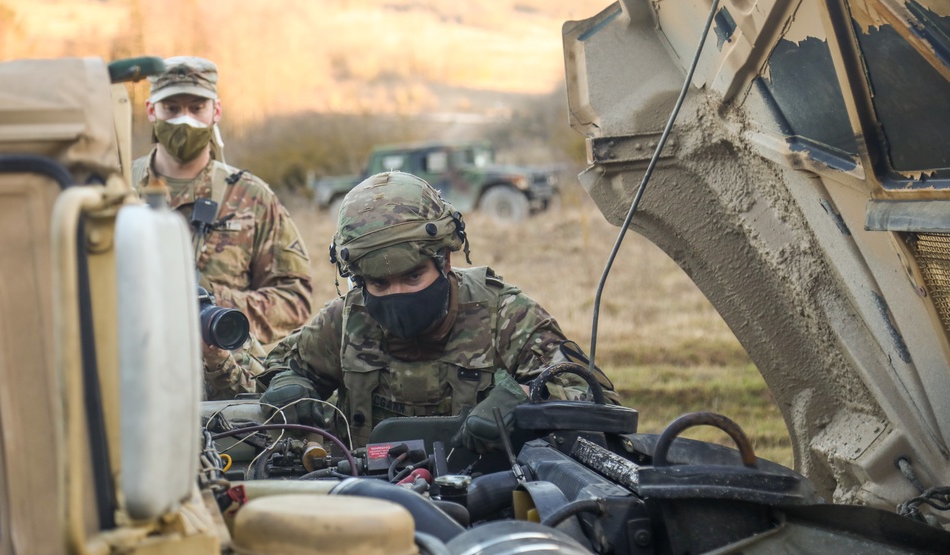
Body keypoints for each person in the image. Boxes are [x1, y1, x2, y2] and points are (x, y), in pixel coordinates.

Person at [259, 171, 617, 451]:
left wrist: (524, 402)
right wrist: (290, 385)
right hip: (365, 499)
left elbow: (595, 398)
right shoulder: (344, 320)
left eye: (413, 276)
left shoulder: (505, 316)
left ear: (444, 260)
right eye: (379, 285)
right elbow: (283, 367)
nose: (397, 295)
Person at [132, 56, 313, 399]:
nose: (184, 118)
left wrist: (213, 307)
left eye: (196, 107)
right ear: (150, 111)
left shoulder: (251, 197)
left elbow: (295, 300)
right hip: (135, 382)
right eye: (171, 107)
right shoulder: (115, 190)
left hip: (225, 390)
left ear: (215, 111)